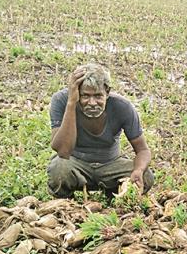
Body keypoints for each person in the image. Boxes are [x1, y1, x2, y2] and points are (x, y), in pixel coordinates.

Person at [48, 63, 154, 198]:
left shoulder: (122, 107)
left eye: (98, 96)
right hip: (75, 164)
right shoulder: (62, 100)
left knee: (146, 176)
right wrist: (71, 103)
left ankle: (114, 195)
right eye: (85, 96)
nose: (92, 103)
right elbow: (63, 151)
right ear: (77, 93)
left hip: (110, 165)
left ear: (107, 92)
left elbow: (143, 150)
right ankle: (65, 201)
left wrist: (138, 170)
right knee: (59, 169)